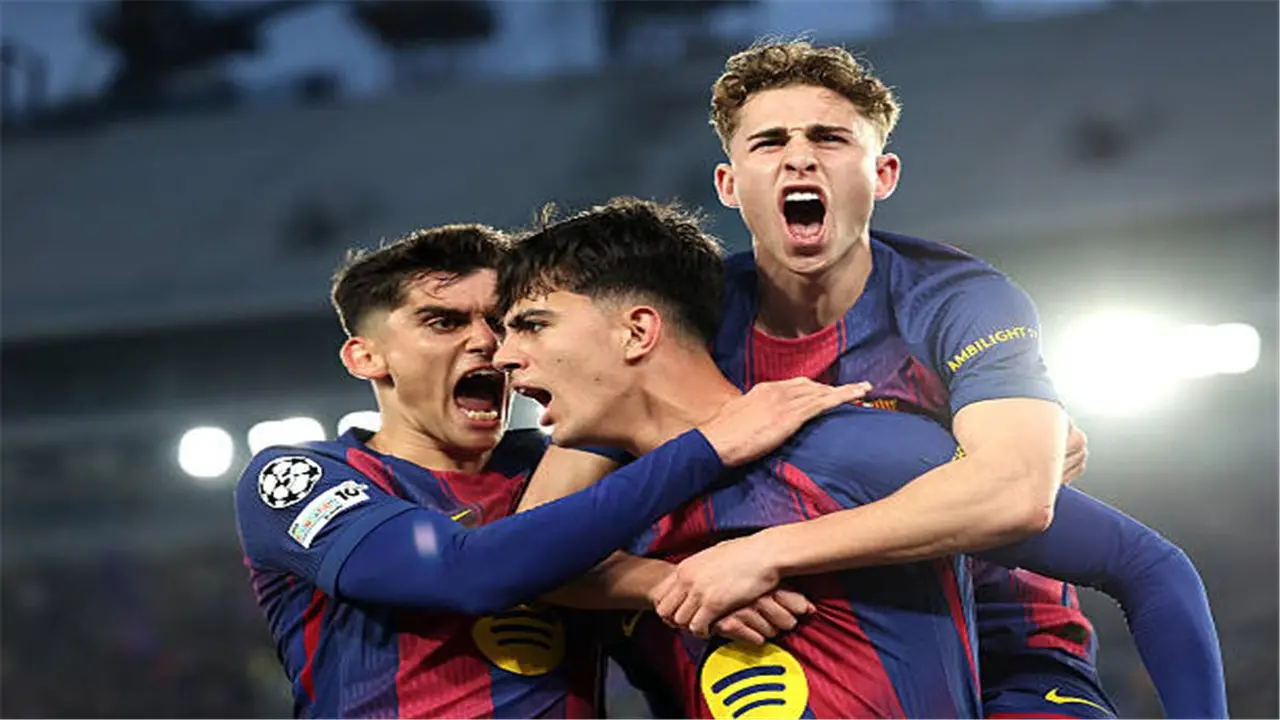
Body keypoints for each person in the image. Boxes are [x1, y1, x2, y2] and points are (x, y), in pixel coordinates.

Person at [493, 197, 1226, 719]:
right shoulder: (598, 521)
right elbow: (506, 563)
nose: (503, 357)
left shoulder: (857, 448)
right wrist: (663, 582)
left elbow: (1146, 563)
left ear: (637, 331)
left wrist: (766, 552)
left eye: (531, 325)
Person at [232, 223, 861, 718]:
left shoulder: (566, 466)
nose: (487, 343)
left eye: (501, 321)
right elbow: (466, 572)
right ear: (365, 356)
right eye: (444, 321)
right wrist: (708, 448)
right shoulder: (297, 478)